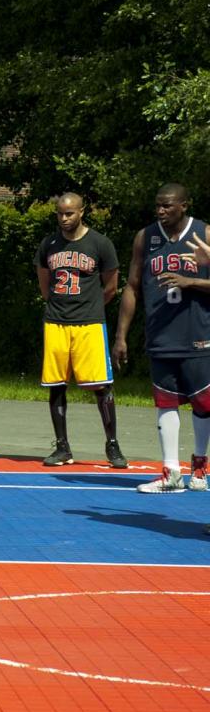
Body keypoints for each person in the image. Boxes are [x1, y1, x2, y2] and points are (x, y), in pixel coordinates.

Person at [113, 183, 210, 493]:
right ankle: (170, 471)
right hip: (161, 334)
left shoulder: (204, 234)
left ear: (184, 205)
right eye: (158, 205)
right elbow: (132, 286)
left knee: (204, 404)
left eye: (168, 205)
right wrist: (121, 336)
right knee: (165, 402)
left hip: (198, 334)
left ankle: (199, 466)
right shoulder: (146, 237)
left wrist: (191, 281)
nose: (161, 210)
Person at [34, 192, 126, 468]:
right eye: (60, 213)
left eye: (70, 213)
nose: (64, 218)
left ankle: (112, 445)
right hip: (56, 322)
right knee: (56, 385)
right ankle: (62, 447)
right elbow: (44, 285)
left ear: (82, 212)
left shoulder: (100, 243)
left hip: (89, 323)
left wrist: (91, 305)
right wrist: (58, 308)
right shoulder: (48, 244)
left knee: (101, 385)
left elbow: (110, 287)